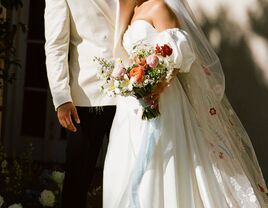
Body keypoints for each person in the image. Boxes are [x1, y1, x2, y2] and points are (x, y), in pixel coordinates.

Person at [103, 0, 268, 207]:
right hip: (134, 104)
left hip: (163, 98)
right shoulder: (133, 11)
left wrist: (158, 86)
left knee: (165, 162)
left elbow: (176, 54)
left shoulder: (159, 7)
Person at [44, 0, 134, 207]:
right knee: (78, 179)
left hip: (131, 95)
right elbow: (56, 45)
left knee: (129, 175)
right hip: (87, 97)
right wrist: (62, 97)